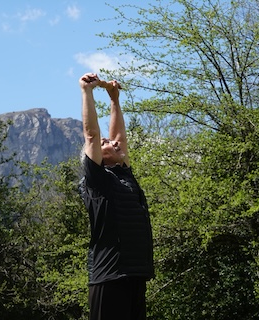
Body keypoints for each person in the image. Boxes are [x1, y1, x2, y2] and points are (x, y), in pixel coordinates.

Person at [78, 72, 154, 320]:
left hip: (134, 275)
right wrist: (87, 92)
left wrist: (114, 100)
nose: (114, 143)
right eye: (106, 143)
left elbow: (119, 138)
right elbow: (91, 135)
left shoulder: (124, 175)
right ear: (97, 155)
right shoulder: (97, 181)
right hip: (109, 277)